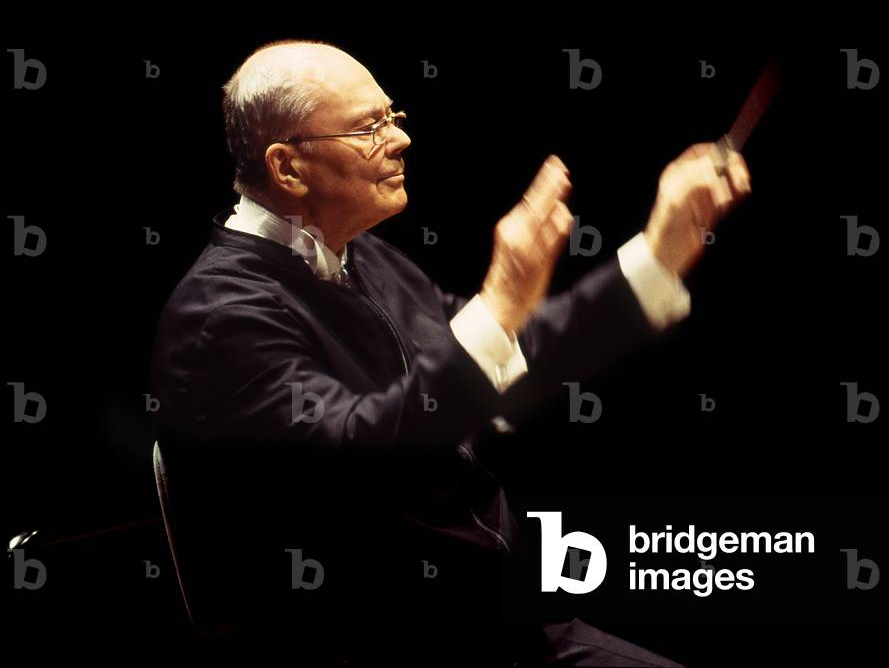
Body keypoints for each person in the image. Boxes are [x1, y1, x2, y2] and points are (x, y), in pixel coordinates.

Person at [151, 40, 750, 666]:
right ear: (288, 168)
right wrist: (500, 302)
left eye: (393, 118)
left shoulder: (361, 255)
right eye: (368, 127)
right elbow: (366, 461)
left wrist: (659, 255)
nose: (401, 140)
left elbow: (502, 361)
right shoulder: (220, 319)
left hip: (500, 618)